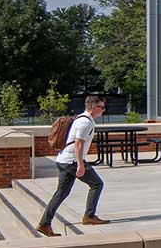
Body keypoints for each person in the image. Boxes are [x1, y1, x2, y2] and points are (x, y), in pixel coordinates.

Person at [37, 95, 110, 235]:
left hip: (64, 160)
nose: (103, 110)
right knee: (97, 184)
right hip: (72, 160)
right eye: (102, 107)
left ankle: (44, 224)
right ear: (94, 107)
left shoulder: (81, 119)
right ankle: (89, 216)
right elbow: (78, 144)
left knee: (61, 193)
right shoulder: (85, 123)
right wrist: (81, 165)